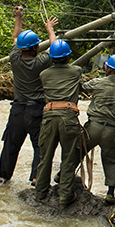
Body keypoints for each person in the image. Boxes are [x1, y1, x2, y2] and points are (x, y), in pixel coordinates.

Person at [0, 6, 57, 185]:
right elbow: (54, 47)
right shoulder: (40, 63)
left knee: (10, 143)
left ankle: (3, 176)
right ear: (35, 47)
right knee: (39, 145)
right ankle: (35, 177)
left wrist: (19, 17)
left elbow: (16, 37)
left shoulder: (14, 59)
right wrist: (50, 29)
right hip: (36, 110)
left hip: (17, 109)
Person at [35, 40, 83, 206]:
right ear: (68, 56)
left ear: (52, 58)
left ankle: (40, 192)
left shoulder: (44, 74)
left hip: (49, 117)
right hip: (68, 117)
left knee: (45, 156)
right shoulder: (76, 71)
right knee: (68, 158)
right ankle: (65, 195)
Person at [81, 53, 115, 206]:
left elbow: (83, 87)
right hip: (113, 130)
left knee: (77, 151)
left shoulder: (98, 82)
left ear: (108, 68)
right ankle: (110, 193)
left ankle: (63, 176)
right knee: (111, 160)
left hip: (93, 126)